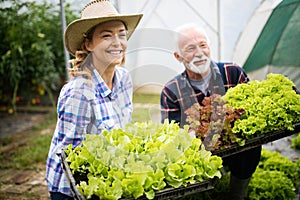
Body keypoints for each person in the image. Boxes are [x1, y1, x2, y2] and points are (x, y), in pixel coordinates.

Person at [46, 0, 143, 199]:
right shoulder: (79, 92)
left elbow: (121, 131)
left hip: (104, 178)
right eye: (106, 35)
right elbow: (70, 159)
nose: (117, 42)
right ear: (88, 44)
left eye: (121, 34)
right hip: (71, 190)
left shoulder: (123, 78)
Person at [160, 23, 261, 199]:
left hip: (238, 148)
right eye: (190, 48)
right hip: (202, 152)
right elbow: (174, 132)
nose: (199, 53)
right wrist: (192, 135)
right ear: (178, 56)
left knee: (251, 145)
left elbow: (252, 111)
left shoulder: (233, 73)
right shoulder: (171, 90)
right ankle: (206, 189)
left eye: (203, 45)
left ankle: (238, 193)